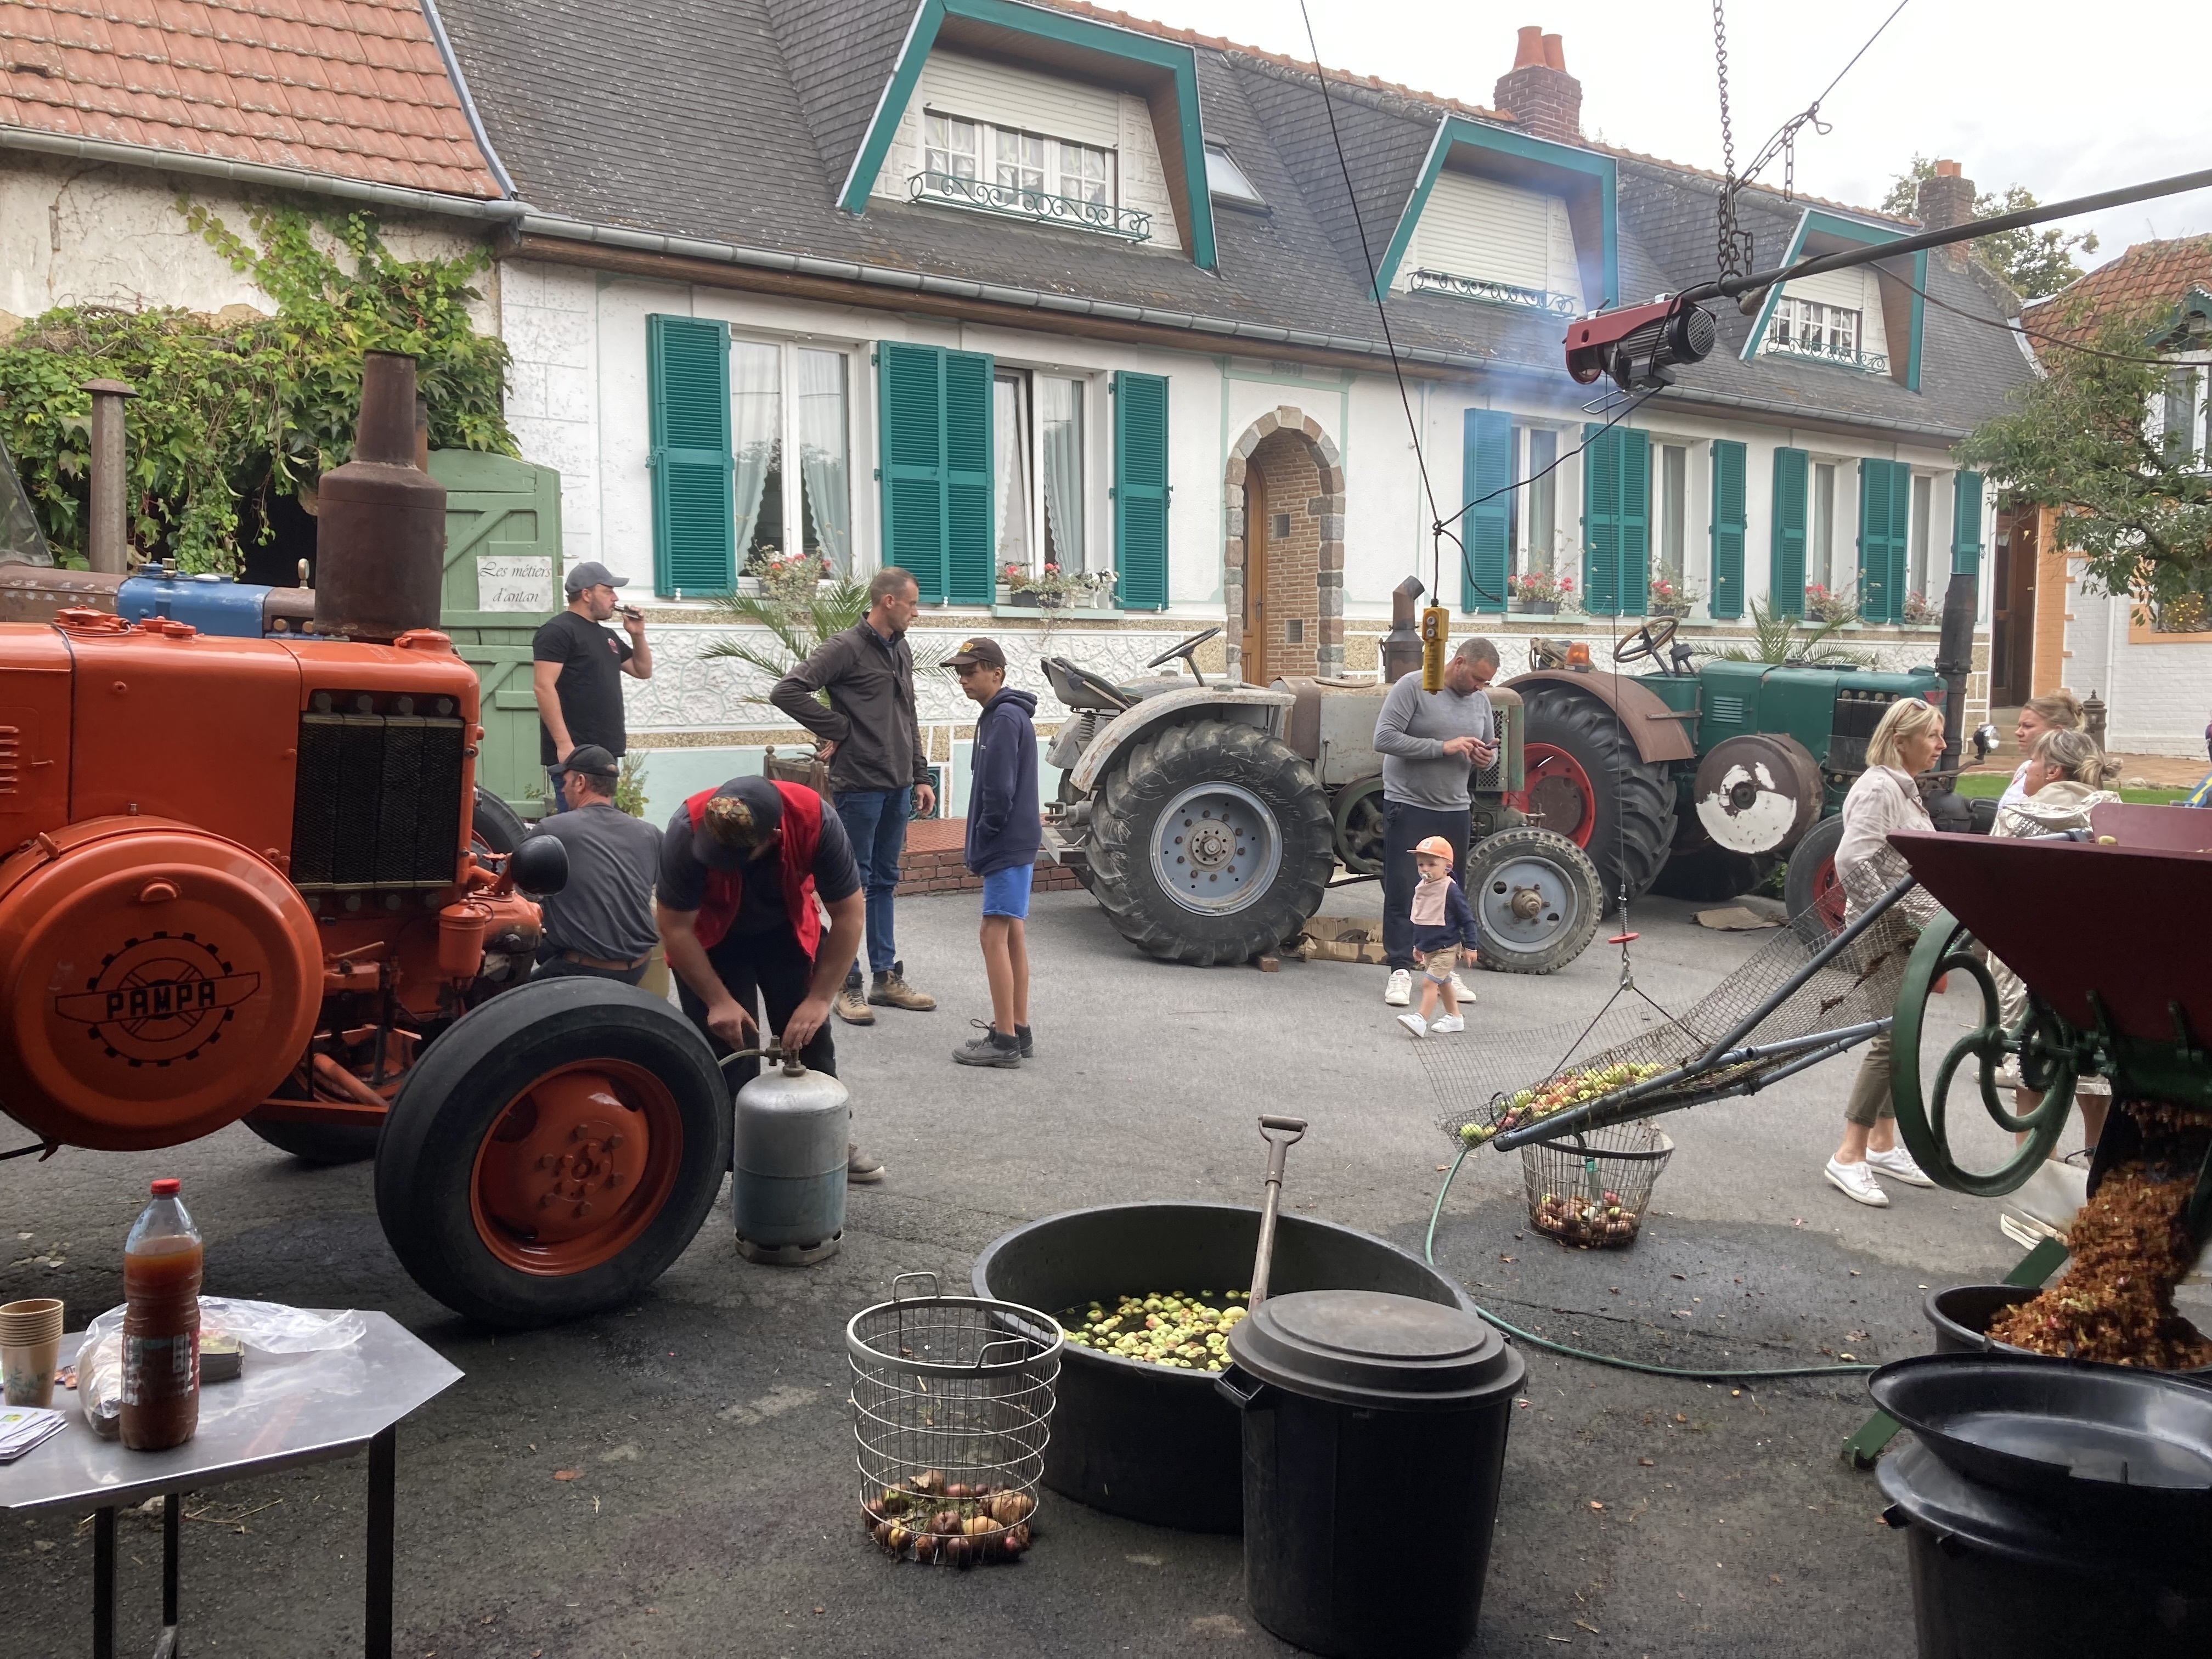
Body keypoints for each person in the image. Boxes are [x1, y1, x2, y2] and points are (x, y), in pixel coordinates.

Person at [654, 775, 883, 1183]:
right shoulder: (686, 829)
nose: (722, 859)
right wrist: (718, 1000)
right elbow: (675, 929)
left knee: (809, 1040)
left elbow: (849, 915)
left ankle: (827, 1138)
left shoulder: (815, 820)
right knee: (727, 1049)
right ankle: (728, 1158)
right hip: (711, 939)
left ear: (773, 835)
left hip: (784, 928)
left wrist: (818, 1000)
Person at [771, 567, 938, 1024]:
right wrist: (838, 728)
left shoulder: (899, 648)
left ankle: (886, 976)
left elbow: (909, 716)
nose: (916, 612)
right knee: (852, 886)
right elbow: (787, 690)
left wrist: (920, 775)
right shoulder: (844, 647)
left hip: (898, 785)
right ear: (888, 602)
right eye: (912, 604)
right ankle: (849, 983)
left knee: (884, 880)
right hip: (859, 785)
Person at [1822, 697, 1945, 1207]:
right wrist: (1885, 912)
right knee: (1889, 1037)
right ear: (1902, 740)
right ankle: (1847, 1155)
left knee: (1904, 1034)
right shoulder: (1879, 787)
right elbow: (1851, 858)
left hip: (1908, 927)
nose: (1941, 745)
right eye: (1933, 736)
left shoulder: (1902, 789)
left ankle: (1882, 1143)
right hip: (1884, 929)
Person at [1989, 726, 2124, 1159]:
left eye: (2031, 760)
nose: (2025, 768)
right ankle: (2095, 1156)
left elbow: (1989, 878)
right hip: (2093, 955)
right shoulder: (2116, 815)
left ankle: (2033, 1162)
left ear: (2052, 771)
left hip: (2023, 955)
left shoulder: (2017, 816)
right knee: (2096, 1071)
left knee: (2030, 1060)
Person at [1372, 637, 1498, 1009]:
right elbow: (1384, 738)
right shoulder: (1413, 687)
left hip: (1455, 806)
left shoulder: (1482, 701)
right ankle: (1399, 969)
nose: (1479, 687)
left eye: (1485, 682)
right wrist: (1442, 747)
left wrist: (1482, 757)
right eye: (1476, 678)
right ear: (1458, 663)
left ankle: (1443, 968)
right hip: (1409, 803)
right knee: (1403, 889)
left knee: (1448, 893)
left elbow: (1491, 753)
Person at [943, 637, 1040, 1068]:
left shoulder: (1003, 718)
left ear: (996, 673)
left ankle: (1004, 1041)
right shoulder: (1002, 715)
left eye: (971, 671)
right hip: (1017, 840)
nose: (963, 679)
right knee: (1012, 932)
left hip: (1006, 841)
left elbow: (998, 790)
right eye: (960, 672)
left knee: (992, 933)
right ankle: (1019, 1028)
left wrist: (986, 833)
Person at [524, 744, 662, 986]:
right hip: (639, 966)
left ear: (580, 782)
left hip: (583, 969)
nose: (563, 788)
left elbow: (516, 889)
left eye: (565, 780)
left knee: (499, 1007)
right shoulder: (650, 833)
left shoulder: (552, 830)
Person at [535, 561, 651, 812]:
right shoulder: (558, 630)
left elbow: (643, 671)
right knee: (577, 831)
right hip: (576, 754)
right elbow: (543, 686)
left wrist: (637, 634)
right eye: (608, 591)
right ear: (586, 594)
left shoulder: (608, 635)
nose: (615, 597)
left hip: (606, 753)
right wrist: (564, 745)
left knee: (599, 827)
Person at [1395, 836, 1480, 1040]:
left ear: (1447, 867)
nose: (1425, 869)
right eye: (1421, 864)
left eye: (1432, 864)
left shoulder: (1450, 889)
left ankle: (1420, 1019)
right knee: (1444, 983)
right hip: (1430, 948)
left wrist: (1471, 946)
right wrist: (1418, 945)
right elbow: (1421, 919)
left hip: (1447, 948)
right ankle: (1455, 1017)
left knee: (1429, 983)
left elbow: (1467, 919)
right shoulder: (1423, 888)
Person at [1996, 690, 2083, 813]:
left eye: (2028, 726)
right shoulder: (2025, 767)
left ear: (2057, 731)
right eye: (2019, 726)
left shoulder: (2065, 773)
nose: (2018, 732)